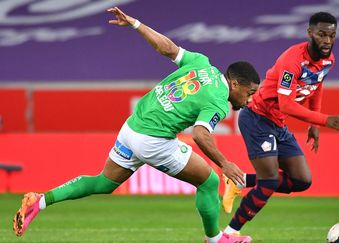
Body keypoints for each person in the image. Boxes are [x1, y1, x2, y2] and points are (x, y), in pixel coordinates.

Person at [13, 7, 260, 243]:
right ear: (235, 83)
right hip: (153, 140)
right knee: (210, 182)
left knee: (104, 183)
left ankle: (40, 201)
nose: (249, 101)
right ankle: (216, 239)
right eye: (249, 93)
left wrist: (136, 24)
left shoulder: (201, 64)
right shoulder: (218, 101)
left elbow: (168, 49)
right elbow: (200, 134)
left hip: (132, 126)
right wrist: (225, 164)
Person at [221, 12, 339, 236]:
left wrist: (315, 122)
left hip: (277, 124)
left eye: (332, 35)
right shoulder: (293, 61)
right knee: (269, 182)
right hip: (257, 118)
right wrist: (325, 119)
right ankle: (229, 233)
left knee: (302, 180)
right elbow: (287, 105)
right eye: (322, 34)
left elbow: (317, 85)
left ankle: (240, 181)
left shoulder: (328, 59)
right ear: (310, 33)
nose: (327, 41)